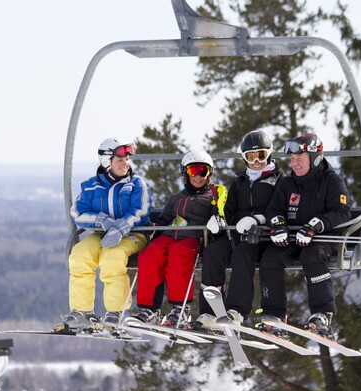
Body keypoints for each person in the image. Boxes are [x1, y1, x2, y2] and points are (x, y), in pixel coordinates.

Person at [257, 132, 351, 339]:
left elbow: (342, 211)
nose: (295, 163)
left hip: (323, 238)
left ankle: (322, 314)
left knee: (312, 256)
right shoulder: (287, 183)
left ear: (315, 158)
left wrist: (317, 225)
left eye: (300, 159)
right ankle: (274, 315)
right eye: (292, 159)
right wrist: (278, 224)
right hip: (293, 236)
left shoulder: (332, 181)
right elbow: (274, 209)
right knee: (271, 258)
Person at [126, 150, 226, 329]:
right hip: (169, 235)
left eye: (203, 171)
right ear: (185, 174)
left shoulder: (212, 196)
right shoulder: (176, 198)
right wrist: (154, 230)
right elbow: (164, 219)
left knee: (178, 255)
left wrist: (215, 218)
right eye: (193, 171)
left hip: (193, 238)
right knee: (149, 254)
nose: (198, 176)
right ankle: (150, 310)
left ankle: (180, 308)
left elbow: (219, 215)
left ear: (209, 174)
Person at [194, 130, 283, 329]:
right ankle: (209, 311)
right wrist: (219, 219)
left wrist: (258, 220)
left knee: (242, 254)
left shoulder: (279, 179)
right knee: (213, 253)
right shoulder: (240, 181)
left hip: (262, 235)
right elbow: (229, 208)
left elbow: (280, 208)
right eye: (251, 156)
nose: (257, 161)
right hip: (237, 232)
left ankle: (236, 311)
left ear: (269, 153)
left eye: (261, 155)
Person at [61, 137, 152, 329]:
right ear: (106, 161)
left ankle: (115, 312)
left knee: (112, 258)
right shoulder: (91, 186)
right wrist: (100, 220)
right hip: (99, 234)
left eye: (127, 160)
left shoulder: (136, 184)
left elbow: (141, 211)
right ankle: (81, 311)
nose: (125, 164)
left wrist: (120, 227)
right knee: (79, 255)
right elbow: (77, 212)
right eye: (120, 160)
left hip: (132, 235)